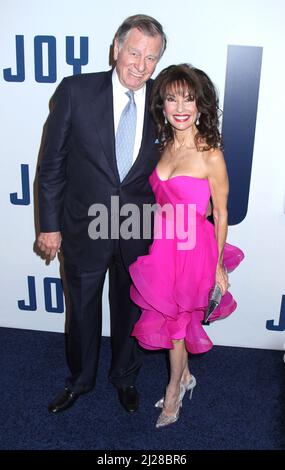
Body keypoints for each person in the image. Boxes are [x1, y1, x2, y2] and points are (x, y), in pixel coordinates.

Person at [37, 14, 167, 414]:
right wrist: (49, 226)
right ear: (116, 49)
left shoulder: (166, 103)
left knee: (131, 311)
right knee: (81, 312)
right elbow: (52, 166)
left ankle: (125, 378)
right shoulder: (75, 92)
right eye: (134, 52)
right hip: (82, 228)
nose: (140, 65)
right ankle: (79, 381)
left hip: (137, 231)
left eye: (151, 58)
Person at [129, 64, 244, 427]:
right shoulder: (163, 146)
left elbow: (222, 213)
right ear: (161, 105)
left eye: (189, 98)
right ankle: (186, 376)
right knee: (171, 320)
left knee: (176, 327)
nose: (181, 106)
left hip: (193, 248)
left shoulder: (210, 153)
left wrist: (218, 266)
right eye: (171, 98)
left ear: (201, 105)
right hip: (164, 245)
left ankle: (174, 392)